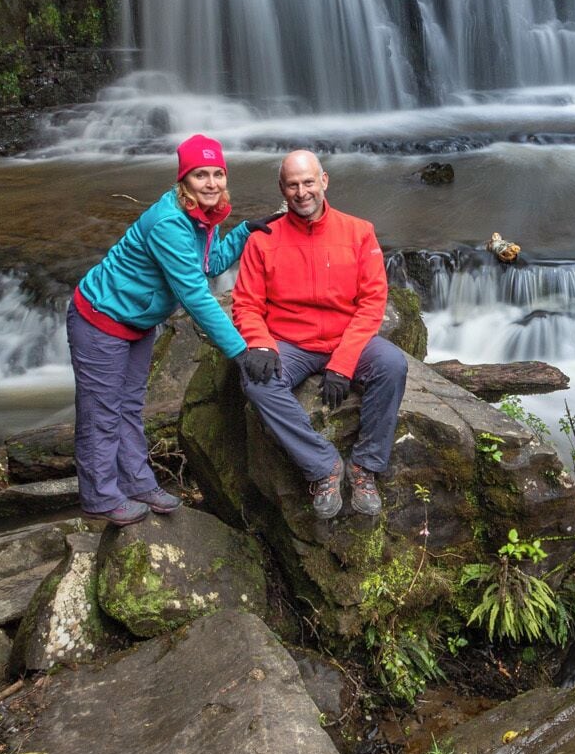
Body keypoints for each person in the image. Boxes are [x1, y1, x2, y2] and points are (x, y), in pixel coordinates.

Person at [68, 134, 278, 525]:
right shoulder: (170, 222)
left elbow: (210, 264)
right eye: (201, 175)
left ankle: (136, 482)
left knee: (130, 406)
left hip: (137, 321)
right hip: (100, 319)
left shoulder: (204, 215)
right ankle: (99, 497)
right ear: (184, 180)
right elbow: (196, 296)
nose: (211, 183)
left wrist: (245, 231)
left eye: (217, 173)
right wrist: (241, 351)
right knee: (101, 411)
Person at [232, 149, 408, 520]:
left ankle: (365, 467)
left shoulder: (359, 232)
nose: (302, 192)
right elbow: (246, 303)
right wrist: (260, 343)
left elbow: (373, 302)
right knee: (255, 378)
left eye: (309, 182)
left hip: (348, 340)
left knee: (392, 364)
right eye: (293, 185)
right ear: (282, 189)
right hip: (291, 343)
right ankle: (324, 466)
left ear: (324, 181)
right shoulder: (263, 239)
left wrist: (343, 364)